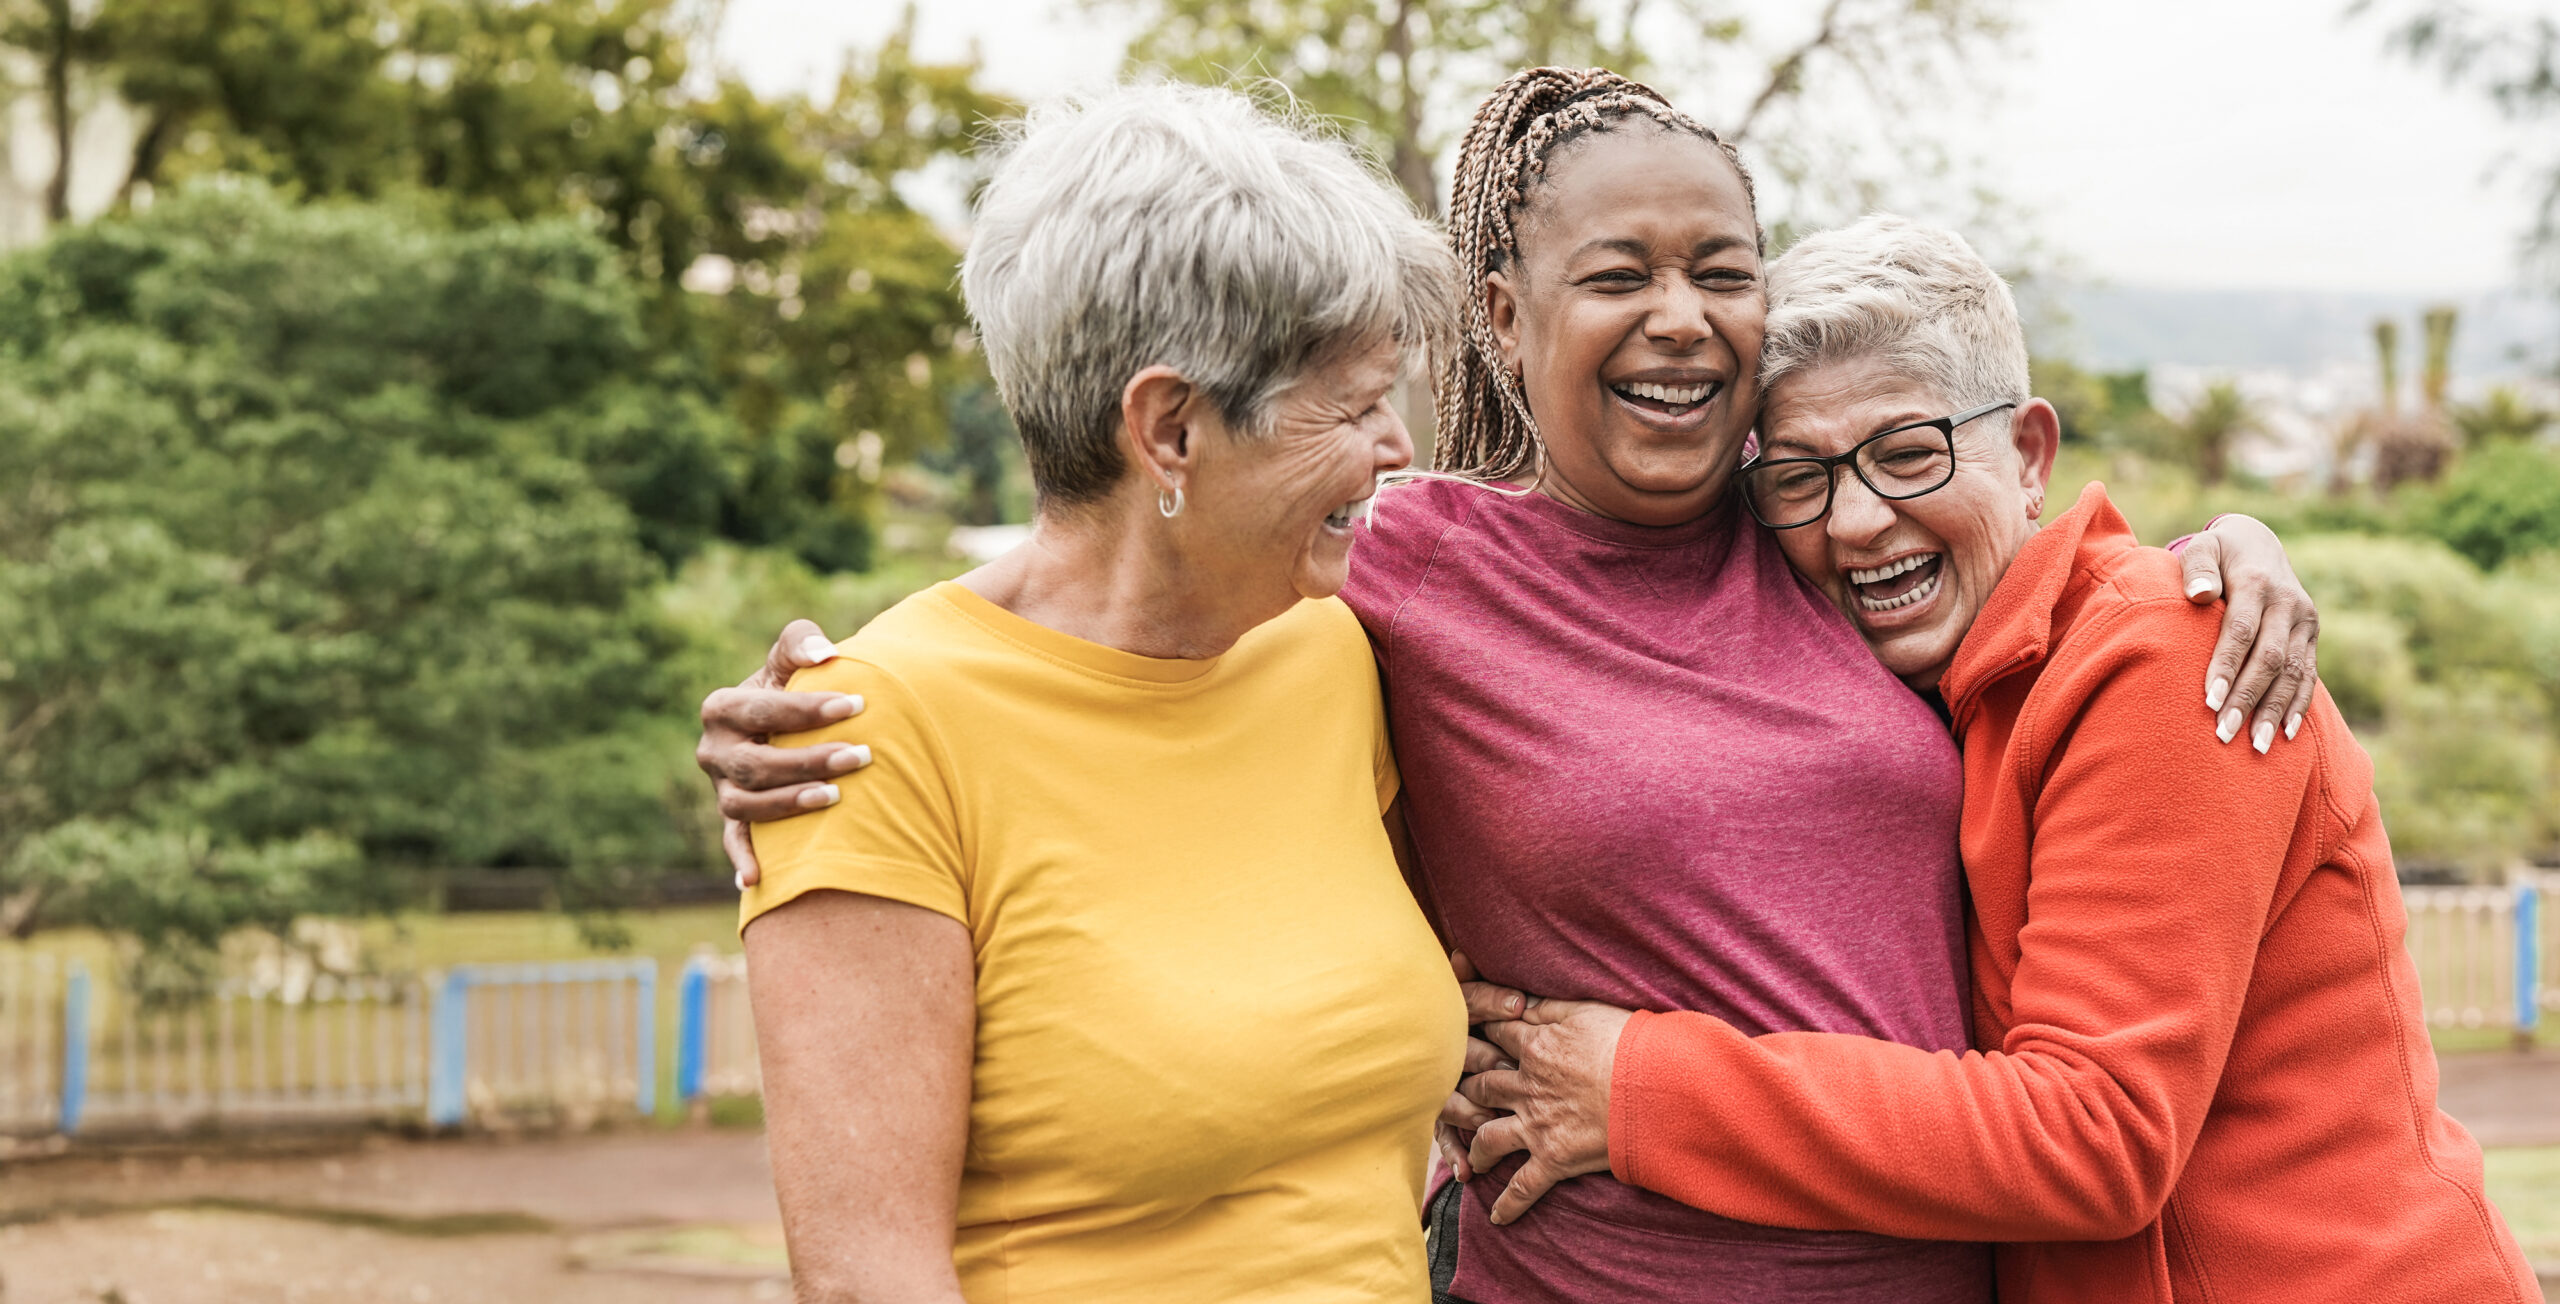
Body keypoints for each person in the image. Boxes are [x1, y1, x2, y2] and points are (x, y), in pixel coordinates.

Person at [701, 70, 2325, 1304]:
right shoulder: (1392, 576)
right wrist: (806, 724)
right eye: (1617, 274)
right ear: (1500, 314)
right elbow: (1108, 618)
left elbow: (2014, 552)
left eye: (1723, 271)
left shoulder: (1820, 529)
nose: (1681, 320)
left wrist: (2224, 555)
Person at [1453, 215, 2538, 1303]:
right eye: (1799, 479)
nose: (1861, 519)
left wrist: (1640, 1087)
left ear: (2027, 455)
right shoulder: (1927, 690)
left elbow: (2095, 1134)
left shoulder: (2166, 658)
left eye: (1909, 453)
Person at [735, 83, 1468, 1303]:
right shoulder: (866, 735)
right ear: (1170, 429)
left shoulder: (1336, 648)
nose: (1397, 447)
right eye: (1352, 405)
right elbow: (872, 1276)